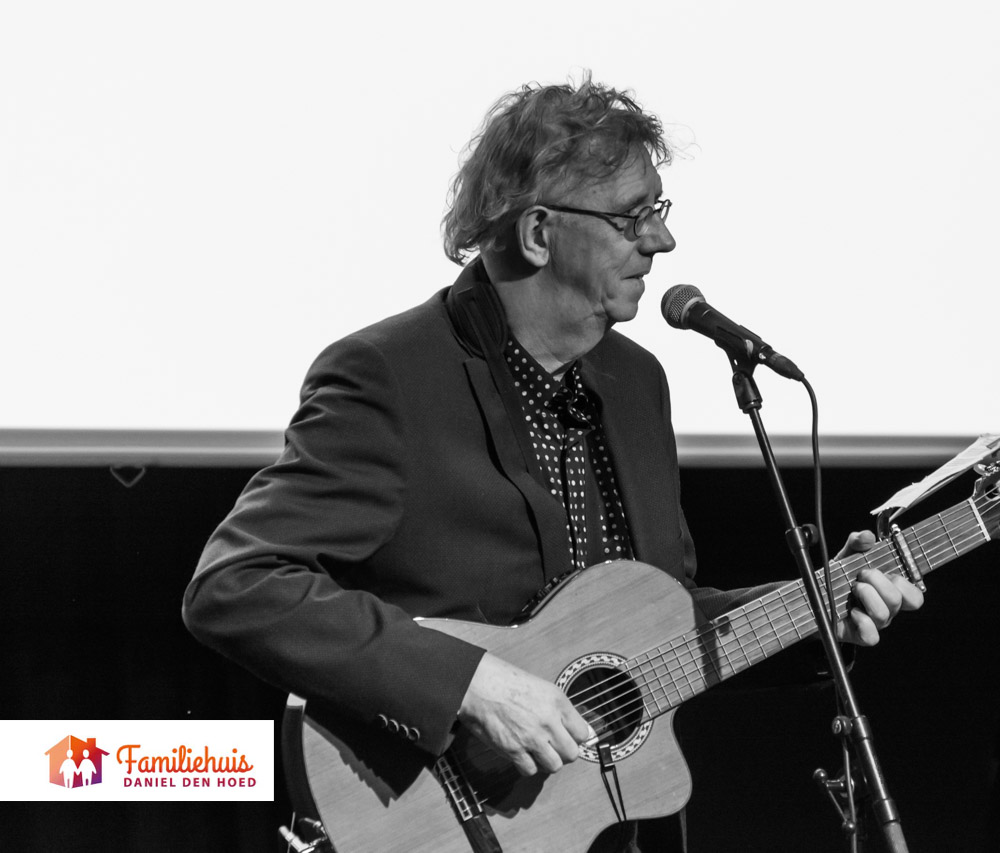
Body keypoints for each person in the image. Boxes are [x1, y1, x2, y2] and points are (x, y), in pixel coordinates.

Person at [182, 74, 923, 853]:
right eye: (633, 216)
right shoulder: (390, 377)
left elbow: (665, 621)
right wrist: (470, 684)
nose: (661, 242)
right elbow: (237, 583)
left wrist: (816, 608)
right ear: (538, 232)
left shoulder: (636, 383)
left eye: (660, 211)